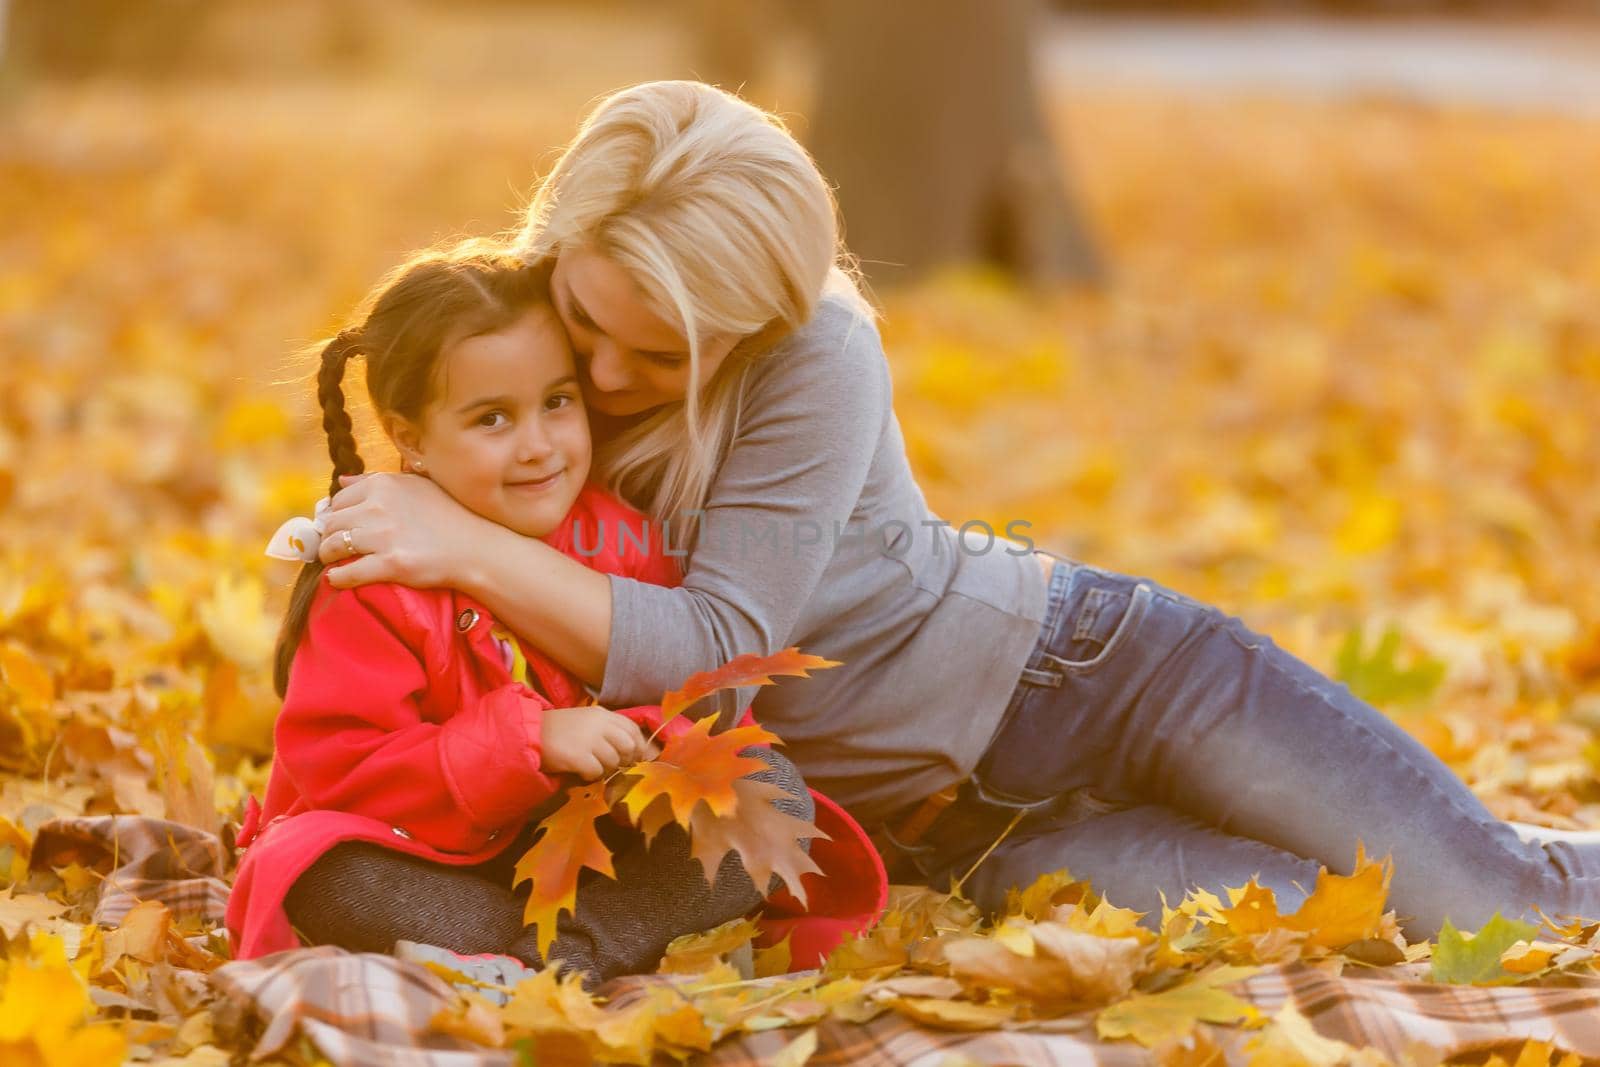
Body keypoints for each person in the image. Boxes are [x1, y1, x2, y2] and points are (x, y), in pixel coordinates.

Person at [309, 80, 1600, 941]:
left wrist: (466, 544)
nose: (597, 380)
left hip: (1093, 676)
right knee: (1354, 912)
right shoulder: (531, 348)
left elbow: (717, 643)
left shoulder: (818, 347)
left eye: (660, 360)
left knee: (1496, 895)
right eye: (588, 325)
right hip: (950, 846)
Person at [223, 241, 887, 992]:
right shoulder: (375, 575)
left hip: (592, 853)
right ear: (409, 436)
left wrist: (642, 742)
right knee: (319, 874)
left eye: (558, 402)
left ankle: (559, 953)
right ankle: (572, 953)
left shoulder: (621, 538)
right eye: (493, 418)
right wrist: (528, 740)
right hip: (434, 856)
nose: (538, 446)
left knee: (768, 793)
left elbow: (685, 697)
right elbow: (341, 768)